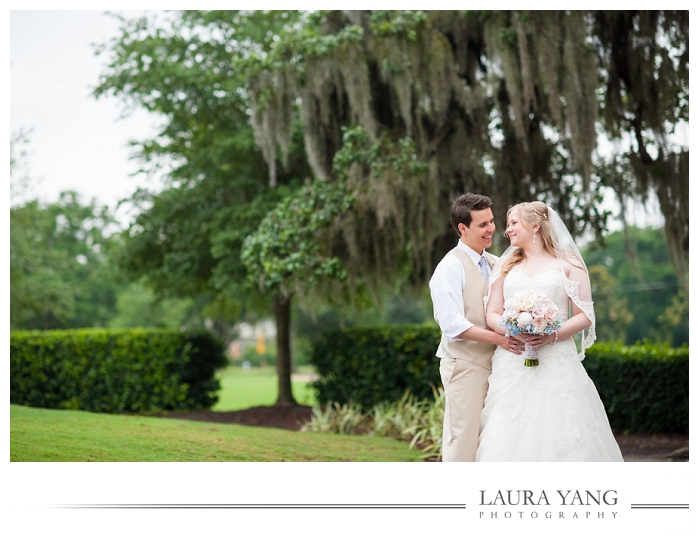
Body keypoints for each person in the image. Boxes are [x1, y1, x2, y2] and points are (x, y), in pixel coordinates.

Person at [476, 201, 623, 462]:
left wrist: (549, 335)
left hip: (557, 360)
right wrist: (514, 330)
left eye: (513, 223)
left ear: (534, 226)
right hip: (514, 361)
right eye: (507, 224)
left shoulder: (568, 263)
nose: (507, 230)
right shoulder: (505, 266)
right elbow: (492, 314)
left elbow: (585, 315)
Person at [429, 193, 525, 462]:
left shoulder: (497, 262)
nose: (491, 229)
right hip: (465, 366)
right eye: (483, 224)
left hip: (501, 367)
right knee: (463, 439)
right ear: (463, 228)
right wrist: (500, 339)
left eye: (492, 221)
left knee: (492, 440)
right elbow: (453, 325)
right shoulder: (449, 267)